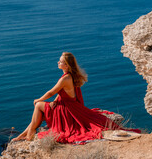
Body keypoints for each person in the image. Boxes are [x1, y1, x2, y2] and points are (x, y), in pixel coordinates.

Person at [11, 52, 140, 143]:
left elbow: (51, 92)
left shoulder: (65, 78)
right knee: (38, 114)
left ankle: (28, 135)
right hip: (68, 106)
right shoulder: (71, 76)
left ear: (66, 65)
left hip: (67, 110)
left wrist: (38, 100)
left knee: (38, 106)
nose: (58, 62)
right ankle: (24, 134)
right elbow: (60, 94)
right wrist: (55, 101)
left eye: (60, 61)